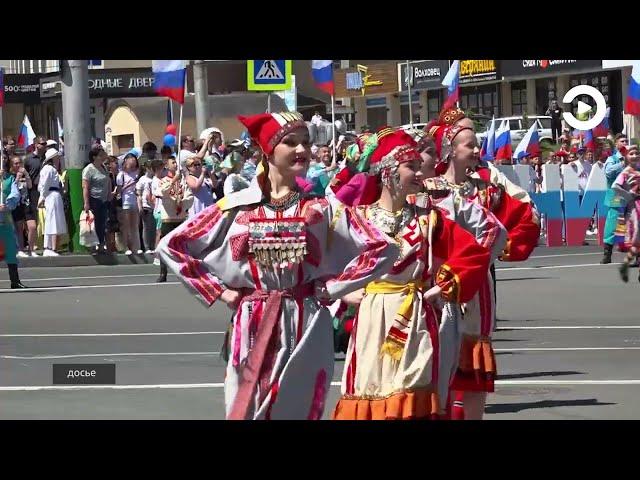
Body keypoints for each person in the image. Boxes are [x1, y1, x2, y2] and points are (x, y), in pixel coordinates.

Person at [157, 111, 400, 420]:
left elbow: (382, 247)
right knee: (247, 404)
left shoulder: (321, 206)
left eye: (306, 143)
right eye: (291, 142)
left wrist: (333, 287)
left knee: (296, 406)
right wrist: (219, 291)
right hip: (253, 319)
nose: (302, 150)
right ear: (267, 150)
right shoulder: (238, 205)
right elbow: (172, 245)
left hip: (306, 320)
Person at [330, 127, 491, 420]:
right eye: (411, 167)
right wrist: (341, 291)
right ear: (388, 171)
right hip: (371, 320)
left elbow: (474, 253)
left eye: (419, 166)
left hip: (415, 318)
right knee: (371, 388)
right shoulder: (358, 219)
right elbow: (321, 258)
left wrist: (444, 286)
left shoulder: (429, 219)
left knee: (414, 390)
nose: (419, 174)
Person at [154, 155, 193, 283]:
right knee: (164, 246)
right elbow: (162, 193)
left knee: (181, 246)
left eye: (176, 162)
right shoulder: (164, 180)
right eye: (172, 162)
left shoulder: (183, 182)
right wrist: (173, 181)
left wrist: (182, 202)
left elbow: (189, 196)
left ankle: (184, 272)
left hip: (180, 217)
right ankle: (163, 272)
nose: (175, 164)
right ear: (167, 165)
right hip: (168, 218)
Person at [613, 144, 640, 282]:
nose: (635, 156)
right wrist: (627, 194)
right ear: (626, 157)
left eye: (637, 153)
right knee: (637, 237)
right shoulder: (626, 172)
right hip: (635, 208)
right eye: (631, 153)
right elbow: (615, 186)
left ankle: (625, 264)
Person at [602, 134, 629, 263]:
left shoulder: (632, 157)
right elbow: (608, 172)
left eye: (626, 141)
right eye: (622, 141)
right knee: (612, 224)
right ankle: (607, 253)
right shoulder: (612, 159)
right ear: (617, 144)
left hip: (630, 196)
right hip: (616, 196)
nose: (624, 143)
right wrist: (623, 163)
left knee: (629, 224)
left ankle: (629, 251)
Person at [0, 166, 27, 288]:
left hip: (5, 219)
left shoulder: (9, 179)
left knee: (10, 250)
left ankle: (15, 281)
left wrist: (7, 204)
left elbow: (15, 195)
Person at [38, 149, 67, 256]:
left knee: (54, 219)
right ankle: (50, 247)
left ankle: (52, 247)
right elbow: (44, 185)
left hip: (53, 195)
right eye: (57, 157)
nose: (58, 159)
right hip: (51, 195)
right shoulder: (48, 169)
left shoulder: (51, 169)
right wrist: (42, 198)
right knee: (52, 220)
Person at [82, 148, 111, 253]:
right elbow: (85, 187)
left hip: (103, 200)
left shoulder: (103, 168)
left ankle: (101, 245)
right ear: (94, 157)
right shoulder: (88, 169)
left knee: (102, 223)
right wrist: (86, 203)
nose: (103, 156)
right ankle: (93, 245)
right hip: (93, 199)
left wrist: (109, 194)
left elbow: (108, 181)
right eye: (101, 154)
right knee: (93, 223)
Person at [23, 136, 48, 256]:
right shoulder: (28, 159)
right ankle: (30, 248)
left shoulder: (47, 158)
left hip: (44, 191)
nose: (45, 146)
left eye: (45, 144)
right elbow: (23, 174)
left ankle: (43, 246)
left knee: (42, 220)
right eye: (42, 144)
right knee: (32, 221)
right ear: (36, 145)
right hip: (32, 191)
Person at [115, 153, 142, 255]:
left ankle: (137, 247)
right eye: (130, 160)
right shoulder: (121, 175)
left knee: (135, 226)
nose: (133, 162)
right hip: (125, 202)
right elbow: (119, 191)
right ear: (125, 161)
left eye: (134, 160)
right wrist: (129, 185)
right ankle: (126, 247)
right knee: (126, 226)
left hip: (135, 202)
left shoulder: (138, 173)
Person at [8, 155, 31, 257]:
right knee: (12, 227)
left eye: (19, 163)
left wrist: (25, 174)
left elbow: (30, 186)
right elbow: (10, 189)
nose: (18, 165)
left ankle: (21, 249)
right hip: (13, 204)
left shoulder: (24, 174)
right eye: (15, 163)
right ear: (12, 165)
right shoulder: (9, 176)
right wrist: (17, 179)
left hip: (23, 203)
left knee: (20, 227)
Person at [136, 161, 156, 253]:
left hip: (155, 206)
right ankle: (147, 246)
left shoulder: (155, 179)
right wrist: (140, 206)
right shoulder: (142, 179)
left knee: (153, 227)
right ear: (147, 168)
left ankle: (153, 245)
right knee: (146, 227)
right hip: (146, 206)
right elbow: (139, 194)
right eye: (152, 168)